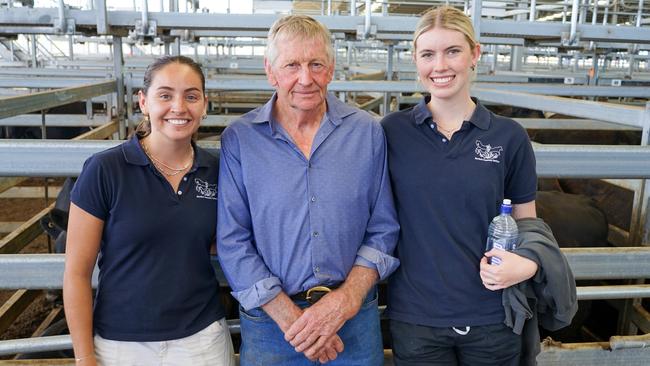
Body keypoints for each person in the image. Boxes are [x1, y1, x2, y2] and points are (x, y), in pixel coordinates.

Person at [381, 6, 574, 366]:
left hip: (492, 315)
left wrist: (527, 264)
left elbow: (527, 223)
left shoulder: (509, 137)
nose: (440, 66)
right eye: (428, 54)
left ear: (475, 54)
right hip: (416, 318)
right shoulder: (391, 132)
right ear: (415, 60)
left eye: (453, 51)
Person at [217, 14, 399, 366]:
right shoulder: (240, 139)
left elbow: (384, 228)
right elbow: (232, 240)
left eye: (316, 64)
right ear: (271, 72)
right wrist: (292, 319)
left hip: (352, 318)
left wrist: (346, 300)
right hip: (272, 324)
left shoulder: (366, 132)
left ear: (330, 69)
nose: (305, 78)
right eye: (292, 65)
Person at [63, 55, 236, 366]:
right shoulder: (105, 170)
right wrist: (84, 356)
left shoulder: (217, 170)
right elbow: (77, 273)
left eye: (191, 96)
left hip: (202, 340)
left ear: (205, 105)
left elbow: (225, 237)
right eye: (165, 95)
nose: (179, 107)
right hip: (121, 345)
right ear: (143, 101)